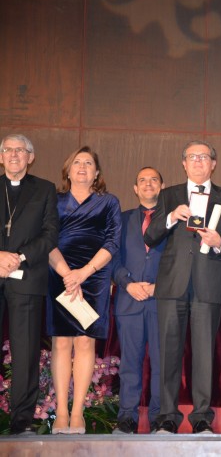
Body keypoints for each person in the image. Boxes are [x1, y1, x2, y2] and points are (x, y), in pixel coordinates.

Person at [144, 140, 221, 435]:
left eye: (204, 156)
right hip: (172, 284)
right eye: (192, 157)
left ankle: (201, 417)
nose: (198, 161)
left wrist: (219, 243)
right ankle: (168, 417)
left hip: (207, 285)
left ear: (213, 163)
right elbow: (151, 237)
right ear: (183, 163)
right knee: (168, 353)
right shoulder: (169, 194)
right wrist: (172, 216)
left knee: (204, 354)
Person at [47, 146, 122, 434]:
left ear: (97, 172)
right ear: (67, 170)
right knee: (62, 342)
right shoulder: (53, 200)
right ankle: (62, 414)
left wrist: (83, 273)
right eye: (76, 162)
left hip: (94, 277)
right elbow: (46, 238)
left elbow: (113, 242)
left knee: (85, 342)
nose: (82, 167)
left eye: (88, 163)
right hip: (59, 273)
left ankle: (78, 412)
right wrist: (67, 273)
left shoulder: (109, 202)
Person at [0, 134, 58, 435]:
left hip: (27, 275)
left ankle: (21, 420)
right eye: (7, 150)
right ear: (1, 156)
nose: (13, 155)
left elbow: (50, 235)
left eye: (20, 150)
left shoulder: (45, 189)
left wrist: (18, 257)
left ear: (30, 157)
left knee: (25, 354)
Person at [111, 167, 166, 434]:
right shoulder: (120, 219)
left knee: (161, 365)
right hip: (129, 300)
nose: (147, 184)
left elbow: (179, 261)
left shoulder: (173, 222)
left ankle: (159, 417)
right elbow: (112, 258)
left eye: (153, 180)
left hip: (161, 302)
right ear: (135, 188)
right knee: (129, 364)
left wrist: (159, 286)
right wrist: (128, 283)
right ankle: (127, 417)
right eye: (142, 180)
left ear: (161, 186)